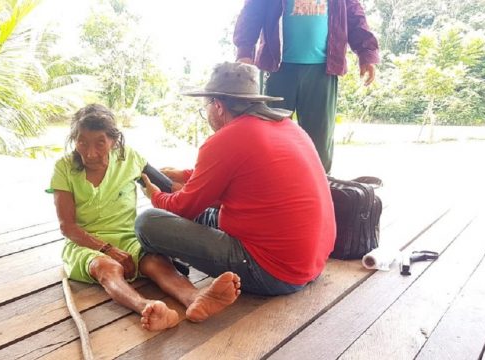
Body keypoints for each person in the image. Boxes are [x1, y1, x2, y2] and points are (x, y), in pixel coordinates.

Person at [136, 62, 336, 296]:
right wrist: (185, 175)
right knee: (207, 213)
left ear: (218, 106)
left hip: (273, 272)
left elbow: (183, 208)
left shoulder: (227, 139)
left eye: (206, 108)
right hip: (311, 264)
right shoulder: (288, 127)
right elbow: (238, 172)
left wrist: (155, 196)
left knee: (147, 222)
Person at [50, 104, 241, 331]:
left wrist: (218, 198)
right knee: (107, 268)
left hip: (127, 236)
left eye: (99, 143)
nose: (90, 153)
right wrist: (107, 249)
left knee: (155, 261)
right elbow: (68, 227)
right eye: (82, 142)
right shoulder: (64, 168)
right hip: (85, 243)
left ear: (114, 141)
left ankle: (194, 298)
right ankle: (147, 307)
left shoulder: (129, 158)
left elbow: (169, 187)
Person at [233, 0, 380, 173]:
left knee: (319, 140)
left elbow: (354, 15)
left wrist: (367, 53)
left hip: (323, 70)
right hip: (277, 68)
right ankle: (270, 189)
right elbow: (253, 10)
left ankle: (320, 190)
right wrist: (244, 51)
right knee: (269, 137)